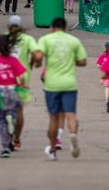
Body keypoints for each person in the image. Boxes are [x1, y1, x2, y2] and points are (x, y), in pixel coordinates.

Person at [33, 17, 87, 161]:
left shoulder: (46, 40)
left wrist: (37, 62)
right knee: (71, 114)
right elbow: (83, 62)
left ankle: (52, 149)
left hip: (52, 85)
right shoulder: (73, 41)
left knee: (53, 118)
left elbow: (38, 57)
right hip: (69, 83)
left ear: (52, 27)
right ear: (65, 27)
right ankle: (73, 135)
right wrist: (70, 60)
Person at [0, 15, 38, 150]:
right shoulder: (27, 39)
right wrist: (32, 63)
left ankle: (6, 138)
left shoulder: (2, 39)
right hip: (22, 77)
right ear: (20, 26)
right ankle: (16, 138)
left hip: (3, 78)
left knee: (3, 109)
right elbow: (37, 53)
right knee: (19, 109)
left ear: (8, 26)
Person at [0, 34, 27, 158]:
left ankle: (5, 148)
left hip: (0, 91)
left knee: (2, 120)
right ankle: (12, 122)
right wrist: (21, 87)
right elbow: (22, 76)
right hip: (12, 90)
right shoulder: (13, 60)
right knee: (13, 113)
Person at [96, 41, 109, 113]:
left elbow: (98, 64)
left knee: (107, 87)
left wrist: (102, 69)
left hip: (105, 75)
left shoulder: (102, 55)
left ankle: (107, 101)